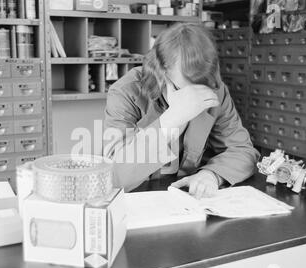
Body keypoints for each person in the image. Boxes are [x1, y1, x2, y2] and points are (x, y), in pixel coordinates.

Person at [103, 23, 260, 198]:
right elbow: (114, 176)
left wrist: (212, 175)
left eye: (200, 90)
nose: (193, 99)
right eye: (183, 90)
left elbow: (243, 151)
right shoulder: (125, 91)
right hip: (138, 200)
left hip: (188, 201)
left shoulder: (215, 92)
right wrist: (170, 121)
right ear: (160, 73)